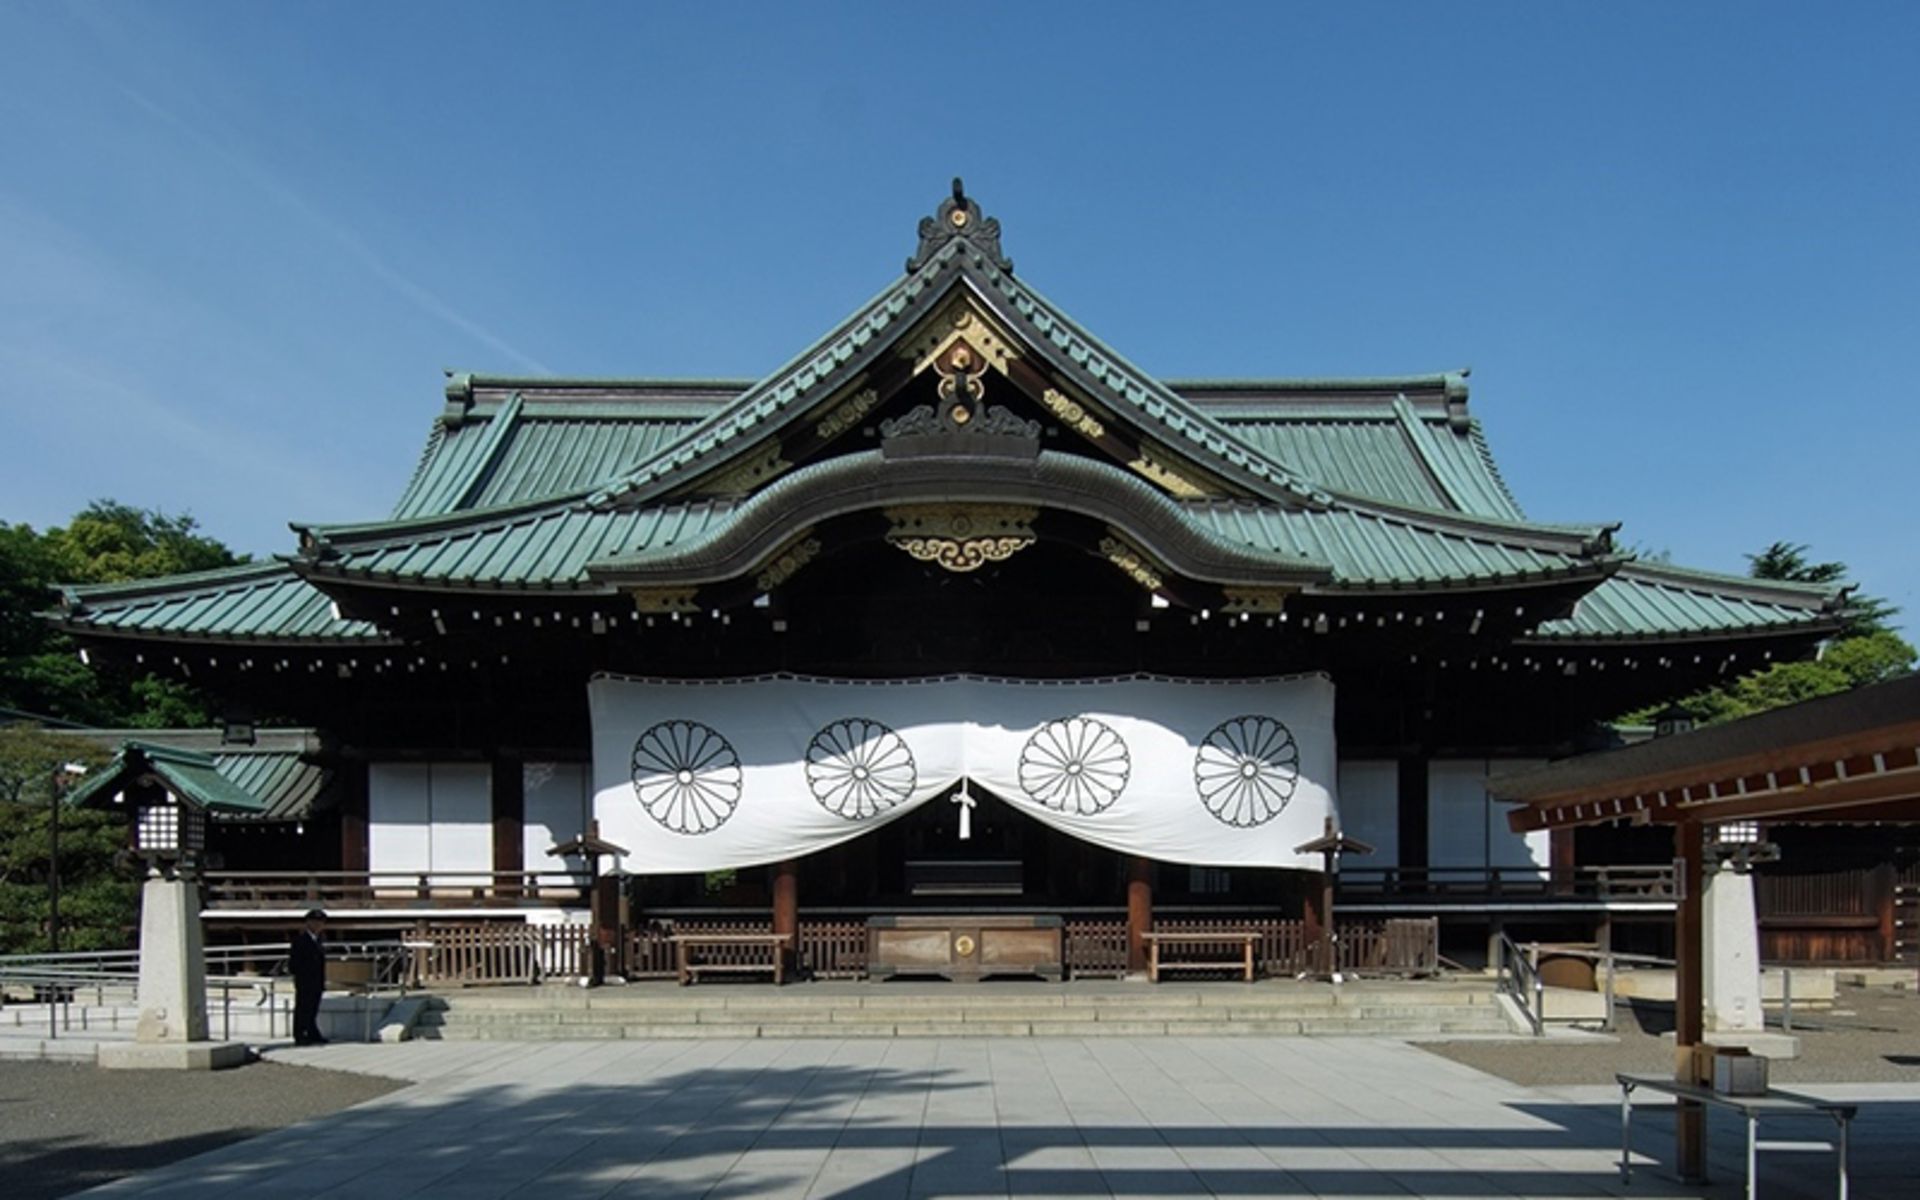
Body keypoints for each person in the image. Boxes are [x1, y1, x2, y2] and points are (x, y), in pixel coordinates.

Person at [290, 908, 328, 1045]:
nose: (318, 925)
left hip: (316, 981)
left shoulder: (319, 940)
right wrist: (300, 977)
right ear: (308, 923)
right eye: (315, 922)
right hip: (305, 980)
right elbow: (294, 962)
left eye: (321, 922)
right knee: (302, 1008)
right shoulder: (301, 940)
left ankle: (312, 1032)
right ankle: (299, 1034)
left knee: (313, 1008)